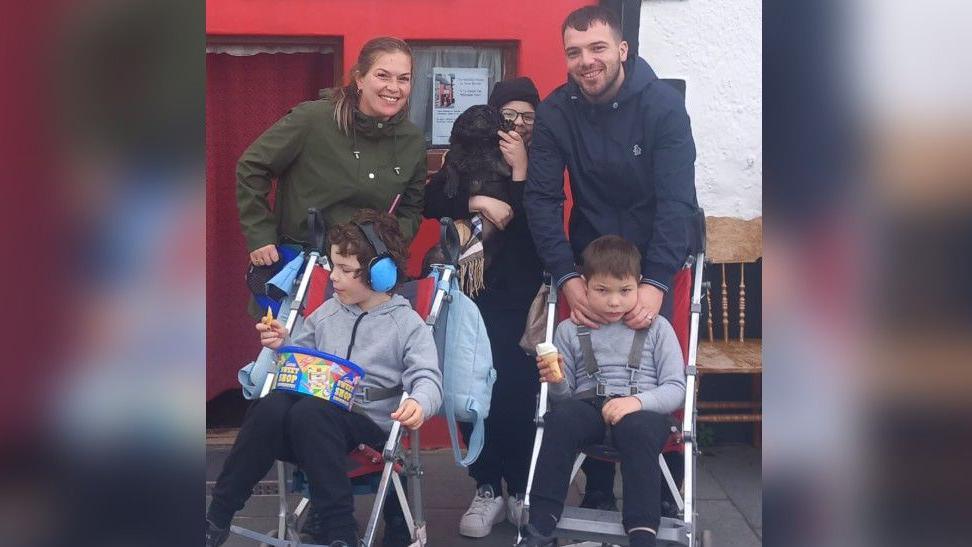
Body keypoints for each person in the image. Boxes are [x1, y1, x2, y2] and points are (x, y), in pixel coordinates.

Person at [523, 5, 699, 511]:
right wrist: (566, 277)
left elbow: (676, 200)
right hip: (591, 259)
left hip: (655, 257)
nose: (586, 61)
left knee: (651, 364)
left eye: (597, 48)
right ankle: (597, 490)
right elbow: (542, 199)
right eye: (574, 52)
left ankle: (666, 492)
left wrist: (658, 281)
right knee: (594, 361)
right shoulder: (557, 111)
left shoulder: (664, 106)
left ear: (622, 50)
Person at [206, 210, 443, 547]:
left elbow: (427, 377)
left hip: (368, 428)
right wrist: (282, 344)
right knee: (271, 405)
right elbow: (300, 360)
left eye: (346, 270)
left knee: (310, 412)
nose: (334, 277)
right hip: (313, 429)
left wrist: (420, 401)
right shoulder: (326, 313)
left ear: (380, 275)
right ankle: (218, 517)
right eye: (333, 266)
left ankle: (339, 533)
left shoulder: (405, 324)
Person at [423, 77, 544, 538]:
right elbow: (432, 201)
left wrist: (520, 174)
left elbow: (536, 225)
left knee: (517, 390)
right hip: (472, 293)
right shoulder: (465, 155)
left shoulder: (542, 157)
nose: (518, 124)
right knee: (470, 385)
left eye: (527, 117)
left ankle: (519, 486)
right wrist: (476, 199)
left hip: (522, 293)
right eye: (509, 115)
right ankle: (486, 485)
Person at [517, 236, 686, 547]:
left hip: (642, 411)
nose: (614, 302)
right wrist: (555, 381)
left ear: (639, 286)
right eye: (602, 290)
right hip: (588, 406)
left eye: (625, 291)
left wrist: (635, 402)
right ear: (584, 286)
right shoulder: (569, 330)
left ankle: (642, 530)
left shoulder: (658, 328)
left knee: (640, 431)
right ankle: (542, 522)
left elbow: (676, 388)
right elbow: (564, 400)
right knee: (560, 420)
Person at [237, 36, 426, 291]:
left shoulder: (412, 140)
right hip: (301, 272)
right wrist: (260, 235)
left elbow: (411, 209)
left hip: (367, 282)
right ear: (360, 78)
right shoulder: (313, 119)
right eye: (383, 75)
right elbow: (252, 166)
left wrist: (388, 245)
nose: (394, 87)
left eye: (403, 79)